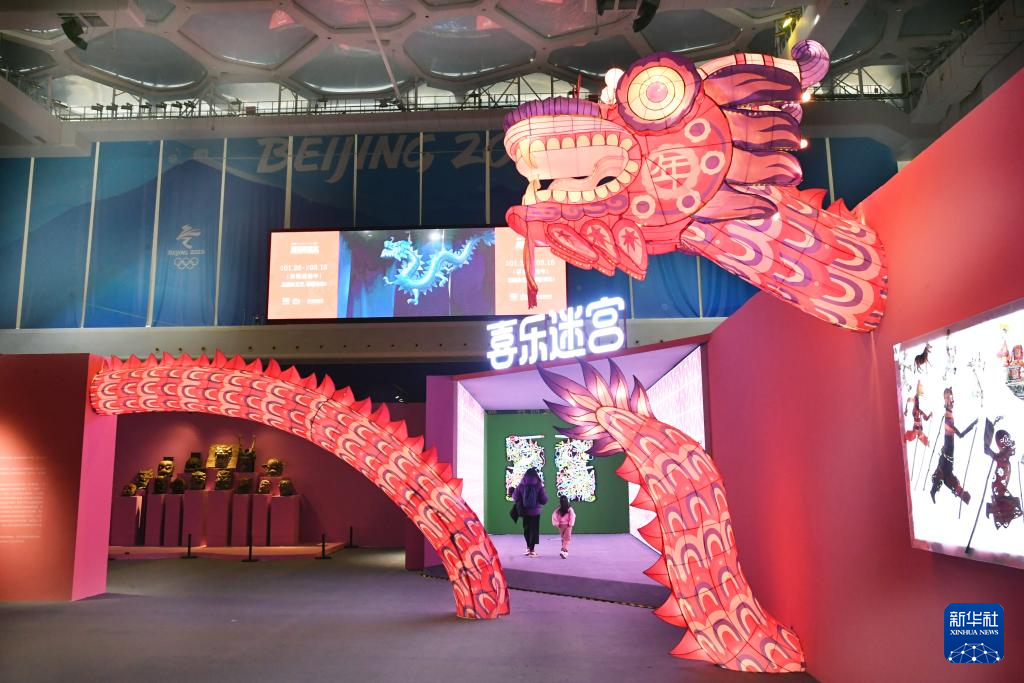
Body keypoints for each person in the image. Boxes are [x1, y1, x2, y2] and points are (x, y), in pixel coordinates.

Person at [930, 387, 976, 504]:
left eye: (951, 399)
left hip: (948, 450)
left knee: (946, 475)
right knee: (946, 474)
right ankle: (935, 490)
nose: (952, 402)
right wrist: (972, 425)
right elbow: (960, 434)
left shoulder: (949, 415)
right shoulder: (948, 417)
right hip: (948, 450)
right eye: (950, 400)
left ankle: (936, 490)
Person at [982, 417, 1022, 529]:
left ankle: (992, 510)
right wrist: (990, 427)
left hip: (1000, 485)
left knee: (1004, 504)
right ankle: (990, 509)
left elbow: (1013, 449)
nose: (1009, 442)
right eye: (1006, 440)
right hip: (998, 485)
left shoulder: (1004, 455)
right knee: (1013, 504)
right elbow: (987, 450)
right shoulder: (1001, 456)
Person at [513, 467, 548, 557]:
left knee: (526, 529)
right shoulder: (538, 485)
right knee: (534, 530)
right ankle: (532, 550)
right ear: (536, 475)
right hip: (535, 512)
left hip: (525, 511)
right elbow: (544, 500)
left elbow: (515, 497)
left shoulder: (521, 484)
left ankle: (528, 548)